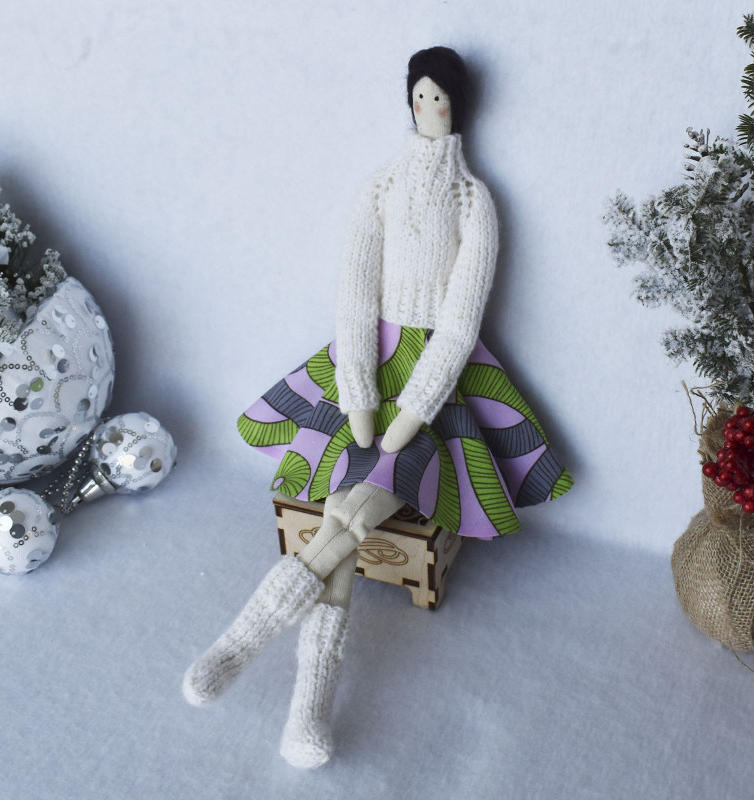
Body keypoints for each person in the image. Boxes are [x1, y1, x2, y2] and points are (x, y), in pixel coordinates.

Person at [183, 46, 572, 769]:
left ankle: (243, 641)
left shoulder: (475, 202)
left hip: (437, 384)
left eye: (440, 99)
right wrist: (358, 393)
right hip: (365, 369)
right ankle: (307, 702)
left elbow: (461, 320)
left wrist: (414, 408)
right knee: (344, 509)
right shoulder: (379, 188)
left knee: (353, 508)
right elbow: (355, 293)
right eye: (420, 98)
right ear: (408, 103)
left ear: (458, 106)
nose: (430, 110)